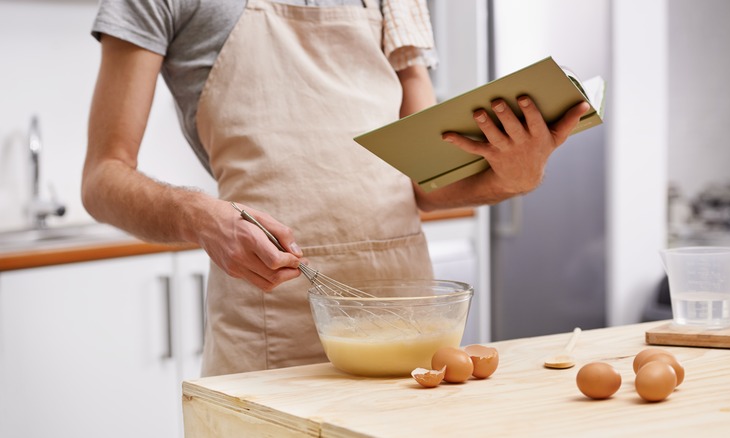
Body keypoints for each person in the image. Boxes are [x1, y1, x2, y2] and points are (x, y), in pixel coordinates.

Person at [83, 0, 590, 377]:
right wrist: (199, 215)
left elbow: (423, 181)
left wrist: (514, 177)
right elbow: (103, 177)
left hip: (407, 320)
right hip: (269, 329)